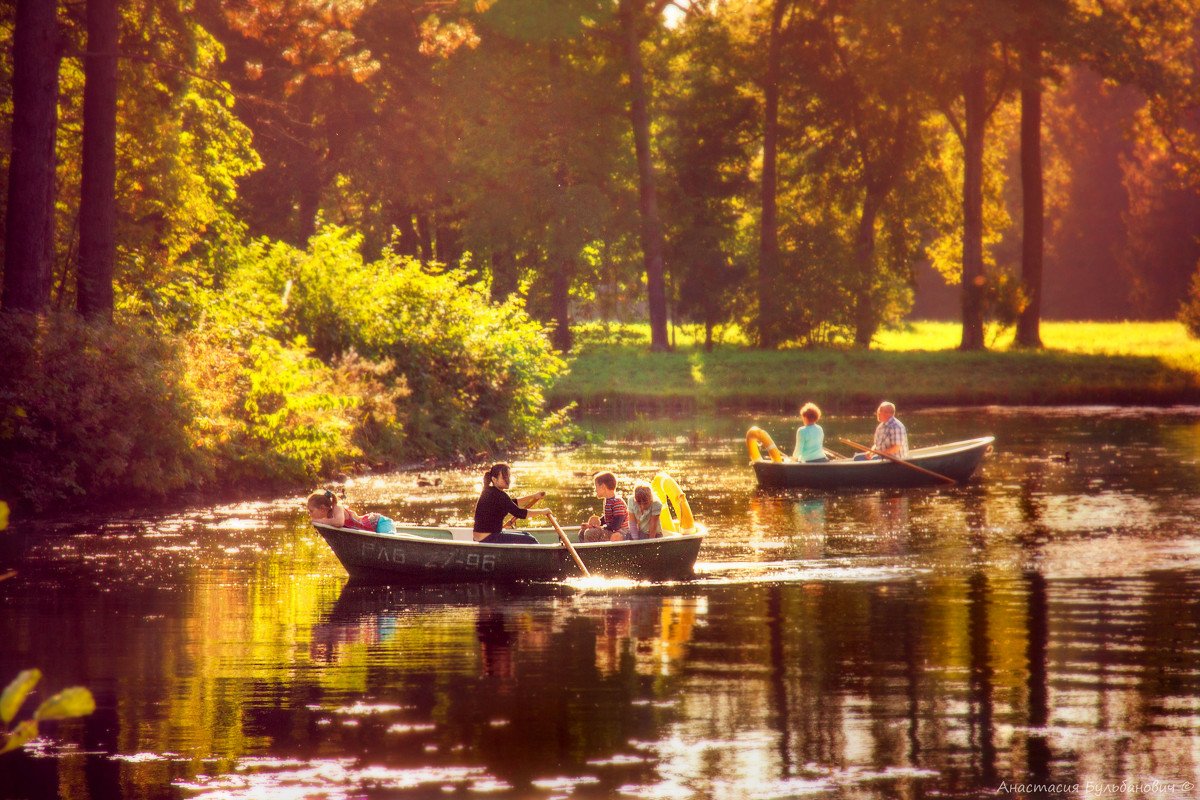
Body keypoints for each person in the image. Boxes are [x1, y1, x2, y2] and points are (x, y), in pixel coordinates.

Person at [472, 463, 553, 544]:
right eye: (504, 477)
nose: (508, 480)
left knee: (526, 534)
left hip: (483, 537)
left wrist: (533, 496)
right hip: (488, 538)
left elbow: (512, 503)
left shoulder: (489, 491)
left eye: (508, 476)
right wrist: (543, 512)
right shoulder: (499, 495)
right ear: (494, 479)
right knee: (531, 540)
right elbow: (520, 513)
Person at [307, 489, 396, 533]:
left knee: (390, 541)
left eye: (311, 511)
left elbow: (340, 522)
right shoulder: (328, 517)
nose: (310, 514)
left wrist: (320, 521)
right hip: (372, 530)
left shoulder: (337, 507)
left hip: (378, 523)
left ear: (322, 508)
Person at [579, 471, 629, 543]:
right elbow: (607, 518)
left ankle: (591, 552)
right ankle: (584, 551)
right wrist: (593, 525)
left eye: (596, 487)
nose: (595, 489)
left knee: (590, 533)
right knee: (582, 532)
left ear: (603, 487)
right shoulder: (607, 500)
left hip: (619, 533)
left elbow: (616, 526)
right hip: (611, 530)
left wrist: (601, 528)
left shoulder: (617, 502)